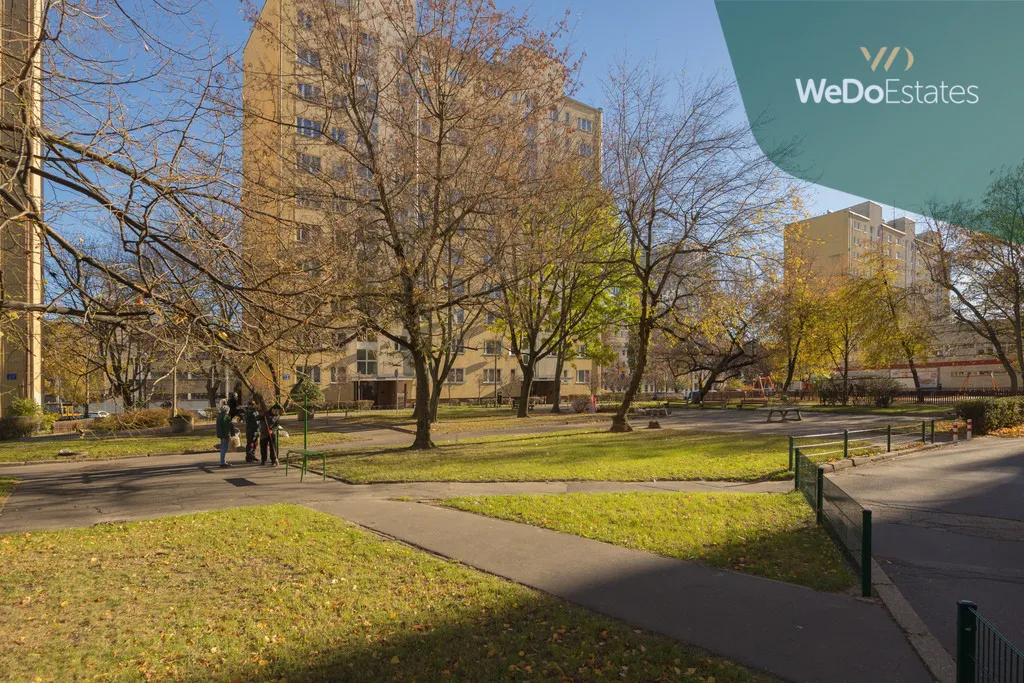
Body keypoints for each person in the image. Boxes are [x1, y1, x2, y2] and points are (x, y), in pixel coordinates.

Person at [215, 403, 233, 468]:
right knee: (224, 448)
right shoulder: (226, 417)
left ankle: (222, 461)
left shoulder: (219, 417)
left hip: (220, 434)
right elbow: (228, 427)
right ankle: (222, 462)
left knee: (223, 447)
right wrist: (229, 435)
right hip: (225, 434)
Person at [243, 399, 260, 463]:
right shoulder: (248, 412)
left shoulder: (256, 411)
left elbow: (258, 419)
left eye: (253, 404)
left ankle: (252, 455)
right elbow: (246, 419)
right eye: (251, 404)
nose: (253, 405)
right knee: (250, 443)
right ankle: (249, 457)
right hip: (251, 430)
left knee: (255, 443)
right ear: (249, 405)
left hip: (256, 430)